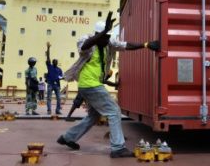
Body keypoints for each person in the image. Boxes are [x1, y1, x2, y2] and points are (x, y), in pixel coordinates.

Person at [57, 11, 160, 158]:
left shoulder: (108, 43)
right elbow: (84, 46)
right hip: (89, 84)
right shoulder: (87, 40)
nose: (108, 39)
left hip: (93, 84)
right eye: (105, 36)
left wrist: (146, 44)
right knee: (113, 111)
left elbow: (126, 45)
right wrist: (104, 31)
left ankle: (68, 137)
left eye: (108, 36)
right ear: (98, 35)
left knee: (93, 116)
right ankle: (118, 147)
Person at [45, 42, 64, 115]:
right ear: (52, 62)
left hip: (57, 85)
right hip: (50, 84)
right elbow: (48, 57)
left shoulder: (59, 69)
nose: (55, 62)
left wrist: (62, 78)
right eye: (54, 61)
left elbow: (61, 77)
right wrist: (48, 48)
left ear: (57, 63)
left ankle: (58, 110)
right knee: (49, 98)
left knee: (59, 98)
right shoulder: (50, 66)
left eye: (56, 62)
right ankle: (49, 110)